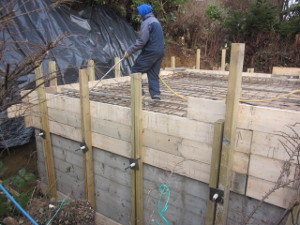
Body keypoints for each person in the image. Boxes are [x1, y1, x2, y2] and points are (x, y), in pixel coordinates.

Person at [124, 4, 164, 100]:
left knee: (135, 70)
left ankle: (138, 94)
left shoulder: (147, 22)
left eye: (139, 12)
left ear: (143, 12)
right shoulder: (156, 21)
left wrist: (129, 51)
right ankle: (156, 97)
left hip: (151, 51)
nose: (138, 15)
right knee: (153, 74)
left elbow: (142, 41)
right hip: (160, 52)